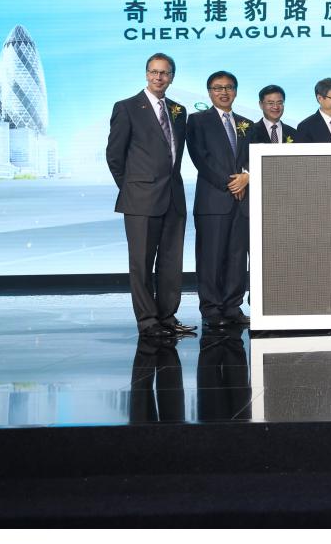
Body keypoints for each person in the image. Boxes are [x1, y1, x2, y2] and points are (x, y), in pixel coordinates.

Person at [106, 52, 195, 338]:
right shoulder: (127, 107)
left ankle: (167, 318)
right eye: (154, 72)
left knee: (171, 263)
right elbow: (114, 156)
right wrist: (133, 187)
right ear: (146, 74)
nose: (159, 77)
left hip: (173, 198)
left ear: (172, 77)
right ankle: (148, 322)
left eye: (165, 72)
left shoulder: (179, 110)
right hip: (141, 199)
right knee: (142, 264)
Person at [186, 71, 255, 325]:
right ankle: (212, 309)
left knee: (237, 257)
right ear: (209, 92)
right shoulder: (197, 120)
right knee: (211, 257)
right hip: (213, 200)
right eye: (218, 88)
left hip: (242, 202)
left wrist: (246, 176)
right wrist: (231, 183)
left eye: (228, 87)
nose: (223, 92)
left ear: (235, 91)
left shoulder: (247, 124)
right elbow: (200, 158)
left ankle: (232, 307)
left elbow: (251, 157)